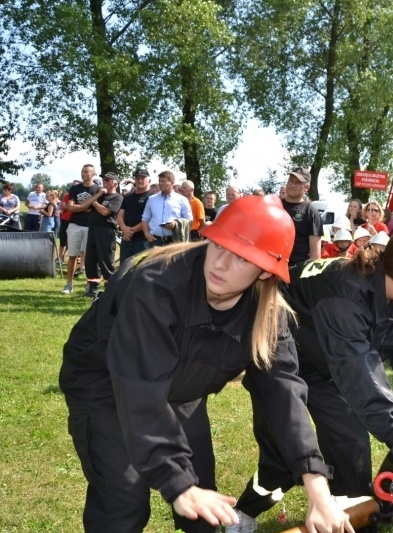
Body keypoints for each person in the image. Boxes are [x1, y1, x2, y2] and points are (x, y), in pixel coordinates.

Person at [59, 195, 352, 533]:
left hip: (182, 388)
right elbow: (140, 387)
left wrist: (317, 485)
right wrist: (176, 483)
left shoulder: (268, 315)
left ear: (264, 272)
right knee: (124, 496)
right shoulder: (155, 285)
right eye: (220, 246)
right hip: (107, 384)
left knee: (203, 498)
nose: (221, 264)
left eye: (242, 258)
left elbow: (283, 394)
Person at [233, 229, 393, 528]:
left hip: (328, 362)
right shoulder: (346, 292)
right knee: (284, 450)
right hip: (280, 352)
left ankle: (349, 520)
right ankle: (244, 512)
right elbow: (359, 375)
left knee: (351, 444)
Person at [62, 165, 101, 294]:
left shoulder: (97, 189)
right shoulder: (75, 188)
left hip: (90, 226)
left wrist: (79, 207)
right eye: (82, 171)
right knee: (72, 255)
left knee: (90, 258)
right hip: (75, 225)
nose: (83, 174)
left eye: (86, 172)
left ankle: (89, 285)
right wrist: (86, 207)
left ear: (93, 173)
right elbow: (70, 207)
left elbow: (97, 210)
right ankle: (69, 285)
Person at [83, 172, 123, 297]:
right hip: (93, 228)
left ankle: (109, 287)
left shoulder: (117, 197)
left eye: (107, 180)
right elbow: (85, 205)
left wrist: (95, 203)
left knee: (106, 258)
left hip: (106, 229)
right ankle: (92, 287)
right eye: (104, 180)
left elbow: (105, 212)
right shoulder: (99, 195)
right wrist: (97, 195)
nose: (104, 182)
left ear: (115, 183)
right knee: (91, 258)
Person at [282, 167, 323, 266]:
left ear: (307, 187)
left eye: (298, 182)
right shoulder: (274, 206)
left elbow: (315, 253)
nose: (293, 185)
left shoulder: (311, 212)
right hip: (270, 267)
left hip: (296, 269)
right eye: (291, 180)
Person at [141, 170, 191, 247]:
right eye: (159, 181)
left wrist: (175, 224)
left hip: (174, 241)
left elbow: (189, 220)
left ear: (172, 183)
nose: (160, 183)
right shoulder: (151, 199)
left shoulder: (182, 200)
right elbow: (145, 219)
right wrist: (147, 234)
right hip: (155, 240)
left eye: (163, 181)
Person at [117, 169, 151, 264]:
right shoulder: (128, 196)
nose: (140, 180)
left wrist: (131, 231)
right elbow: (120, 214)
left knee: (141, 267)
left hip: (143, 239)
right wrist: (124, 229)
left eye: (143, 178)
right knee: (124, 267)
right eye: (137, 178)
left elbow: (150, 218)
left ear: (149, 180)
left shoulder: (152, 197)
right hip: (126, 238)